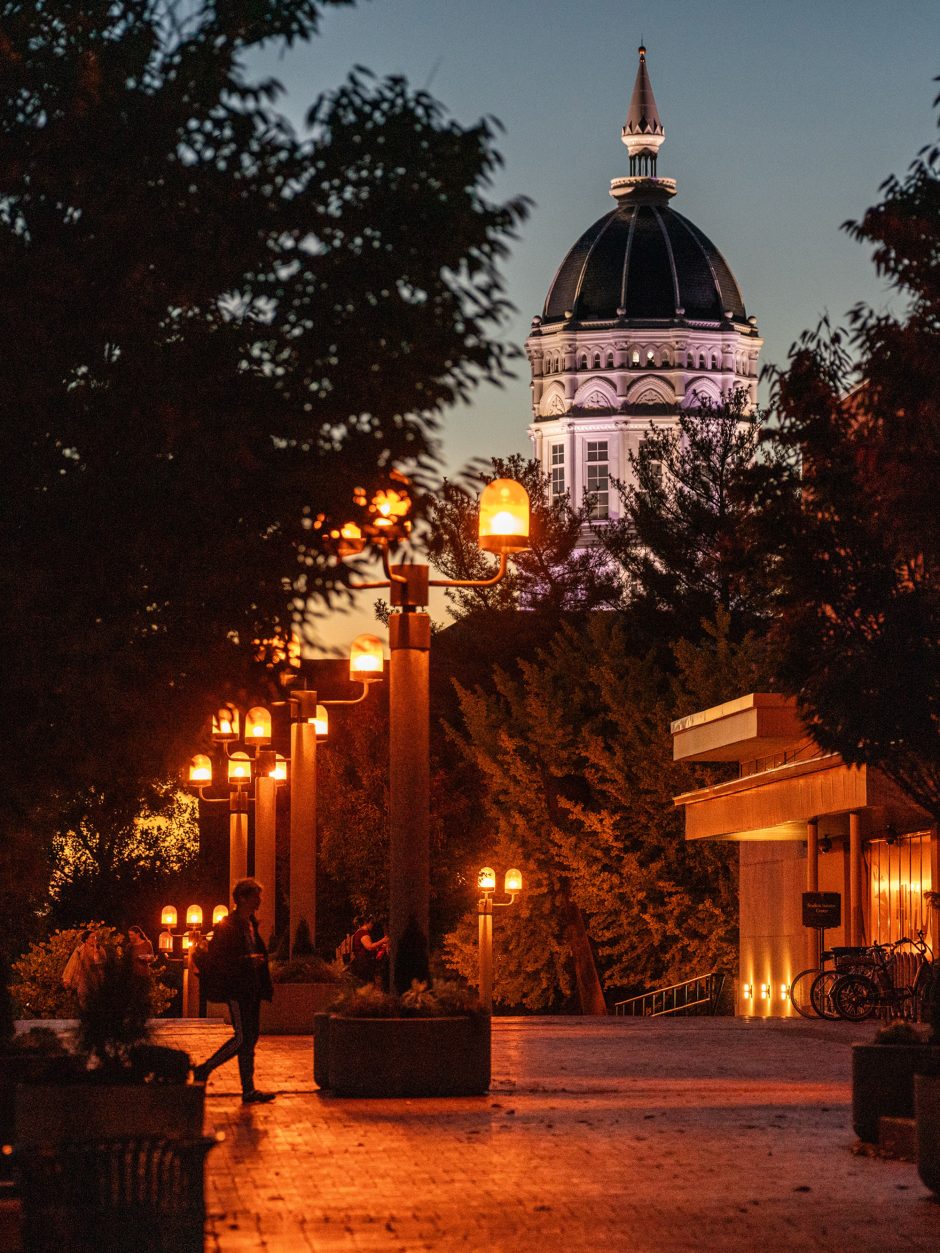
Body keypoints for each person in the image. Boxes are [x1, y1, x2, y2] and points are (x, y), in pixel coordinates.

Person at [191, 878, 276, 1104]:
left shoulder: (251, 924)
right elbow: (220, 959)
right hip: (237, 989)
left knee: (250, 1039)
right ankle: (205, 1068)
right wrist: (247, 961)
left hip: (252, 989)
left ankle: (248, 1089)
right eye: (256, 896)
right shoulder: (229, 925)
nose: (259, 900)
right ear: (243, 898)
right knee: (241, 1038)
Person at [349, 917, 389, 986]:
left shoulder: (359, 932)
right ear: (366, 923)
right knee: (369, 987)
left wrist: (380, 946)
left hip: (360, 963)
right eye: (372, 923)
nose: (372, 925)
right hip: (363, 965)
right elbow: (369, 947)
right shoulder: (363, 933)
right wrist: (382, 941)